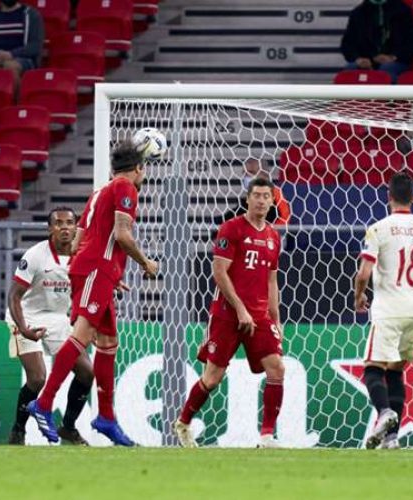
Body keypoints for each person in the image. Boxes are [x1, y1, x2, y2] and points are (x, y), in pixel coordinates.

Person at [28, 141, 159, 445]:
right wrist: (145, 263)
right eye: (144, 167)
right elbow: (123, 235)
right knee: (83, 334)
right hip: (96, 270)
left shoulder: (99, 192)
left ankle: (106, 417)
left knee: (109, 342)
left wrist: (110, 274)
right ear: (139, 168)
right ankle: (44, 403)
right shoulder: (127, 189)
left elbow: (77, 242)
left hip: (96, 271)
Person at [174, 177, 284, 448]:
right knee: (212, 378)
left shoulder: (272, 237)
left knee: (277, 369)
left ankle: (267, 436)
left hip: (258, 316)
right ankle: (183, 422)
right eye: (256, 195)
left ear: (272, 201)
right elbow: (219, 273)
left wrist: (276, 319)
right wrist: (240, 309)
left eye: (265, 196)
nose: (260, 200)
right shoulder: (231, 229)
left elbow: (271, 281)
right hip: (226, 313)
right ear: (247, 198)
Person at [354, 172, 413, 449]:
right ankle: (391, 439)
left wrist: (359, 295)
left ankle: (385, 412)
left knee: (373, 369)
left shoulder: (379, 228)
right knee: (396, 371)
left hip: (390, 310)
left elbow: (364, 273)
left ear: (388, 197)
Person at [6, 207, 94, 445]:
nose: (64, 227)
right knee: (37, 378)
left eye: (69, 223)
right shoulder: (36, 255)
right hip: (26, 315)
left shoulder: (82, 256)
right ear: (49, 228)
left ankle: (68, 427)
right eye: (58, 223)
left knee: (87, 372)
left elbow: (85, 289)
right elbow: (14, 296)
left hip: (58, 318)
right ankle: (18, 431)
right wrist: (23, 327)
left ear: (76, 228)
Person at [340, 0, 413, 83]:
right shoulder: (358, 13)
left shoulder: (403, 11)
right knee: (350, 70)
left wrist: (394, 57)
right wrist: (358, 58)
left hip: (397, 60)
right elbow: (347, 44)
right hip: (367, 60)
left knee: (387, 71)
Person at [0, 1, 44, 85]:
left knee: (10, 66)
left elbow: (35, 45)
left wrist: (11, 54)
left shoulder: (32, 15)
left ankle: (14, 98)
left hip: (21, 58)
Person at [217, 158, 291, 226]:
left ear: (264, 175)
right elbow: (237, 214)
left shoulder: (273, 196)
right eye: (245, 173)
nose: (247, 177)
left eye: (251, 172)